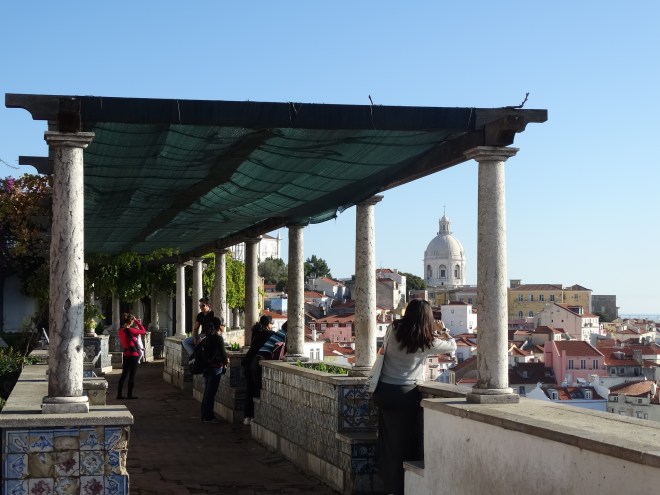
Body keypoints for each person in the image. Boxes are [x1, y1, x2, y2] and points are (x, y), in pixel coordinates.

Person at [371, 299, 457, 495]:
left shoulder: (393, 329)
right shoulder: (427, 341)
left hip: (383, 392)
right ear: (428, 318)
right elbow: (452, 346)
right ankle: (399, 487)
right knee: (404, 445)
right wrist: (442, 330)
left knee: (388, 441)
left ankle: (387, 483)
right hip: (405, 395)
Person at [241, 314, 274, 425]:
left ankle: (247, 417)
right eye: (271, 324)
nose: (272, 326)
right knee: (255, 391)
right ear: (268, 324)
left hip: (248, 362)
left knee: (249, 390)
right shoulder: (268, 334)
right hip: (254, 364)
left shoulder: (256, 331)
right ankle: (253, 417)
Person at [201, 316, 229, 423]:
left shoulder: (208, 337)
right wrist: (225, 363)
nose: (224, 327)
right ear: (220, 326)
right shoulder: (218, 338)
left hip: (207, 367)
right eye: (223, 325)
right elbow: (223, 354)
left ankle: (205, 414)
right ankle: (208, 416)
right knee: (211, 393)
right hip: (215, 367)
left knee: (207, 392)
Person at [117, 313, 148, 400]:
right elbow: (143, 331)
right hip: (133, 355)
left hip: (126, 354)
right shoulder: (131, 330)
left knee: (123, 375)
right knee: (132, 376)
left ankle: (119, 394)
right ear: (131, 321)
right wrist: (137, 321)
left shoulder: (120, 331)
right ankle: (129, 395)